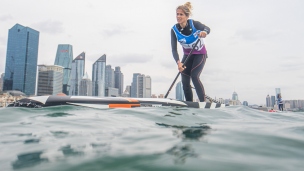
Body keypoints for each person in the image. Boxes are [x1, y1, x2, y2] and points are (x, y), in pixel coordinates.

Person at [171, 2, 210, 102]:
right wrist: (179, 63)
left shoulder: (194, 24)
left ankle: (202, 102)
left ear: (187, 16)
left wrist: (204, 32)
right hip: (188, 56)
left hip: (200, 55)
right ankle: (189, 104)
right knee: (184, 80)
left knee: (194, 76)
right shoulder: (174, 29)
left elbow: (207, 28)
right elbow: (174, 50)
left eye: (181, 14)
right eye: (177, 14)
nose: (178, 16)